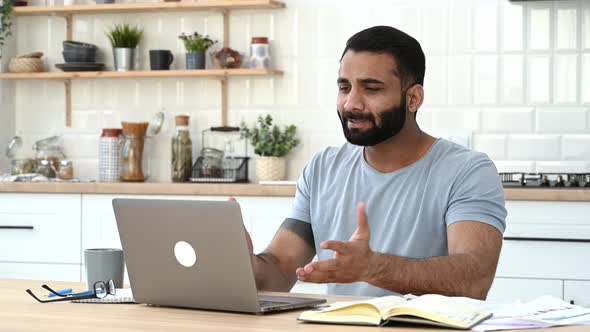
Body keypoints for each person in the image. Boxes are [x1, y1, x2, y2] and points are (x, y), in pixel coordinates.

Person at [242, 25, 506, 300]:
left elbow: (474, 279)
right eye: (344, 87)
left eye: (371, 88)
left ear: (413, 98)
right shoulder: (323, 168)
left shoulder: (468, 171)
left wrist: (372, 267)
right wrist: (245, 265)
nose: (351, 103)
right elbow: (278, 272)